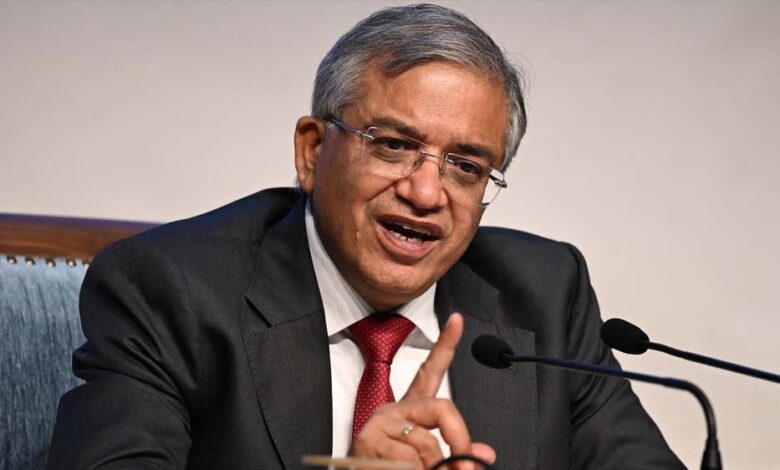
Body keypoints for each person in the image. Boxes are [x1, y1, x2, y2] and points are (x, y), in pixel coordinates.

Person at [48, 4, 684, 469]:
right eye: (395, 145)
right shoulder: (172, 290)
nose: (426, 193)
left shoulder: (545, 294)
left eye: (466, 166)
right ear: (312, 151)